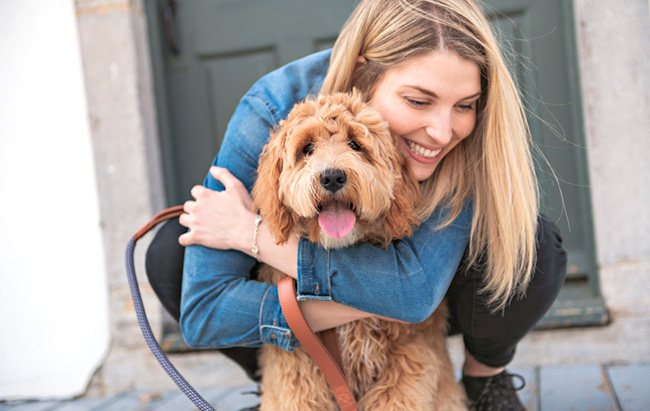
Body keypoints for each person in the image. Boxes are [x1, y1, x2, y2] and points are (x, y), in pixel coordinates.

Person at [152, 0, 568, 409]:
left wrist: (251, 234)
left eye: (464, 105)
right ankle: (293, 385)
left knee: (533, 243)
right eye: (419, 101)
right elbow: (205, 312)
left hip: (431, 293)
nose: (442, 133)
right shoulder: (272, 106)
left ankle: (485, 381)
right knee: (176, 247)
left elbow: (414, 296)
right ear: (361, 72)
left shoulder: (468, 139)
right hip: (323, 308)